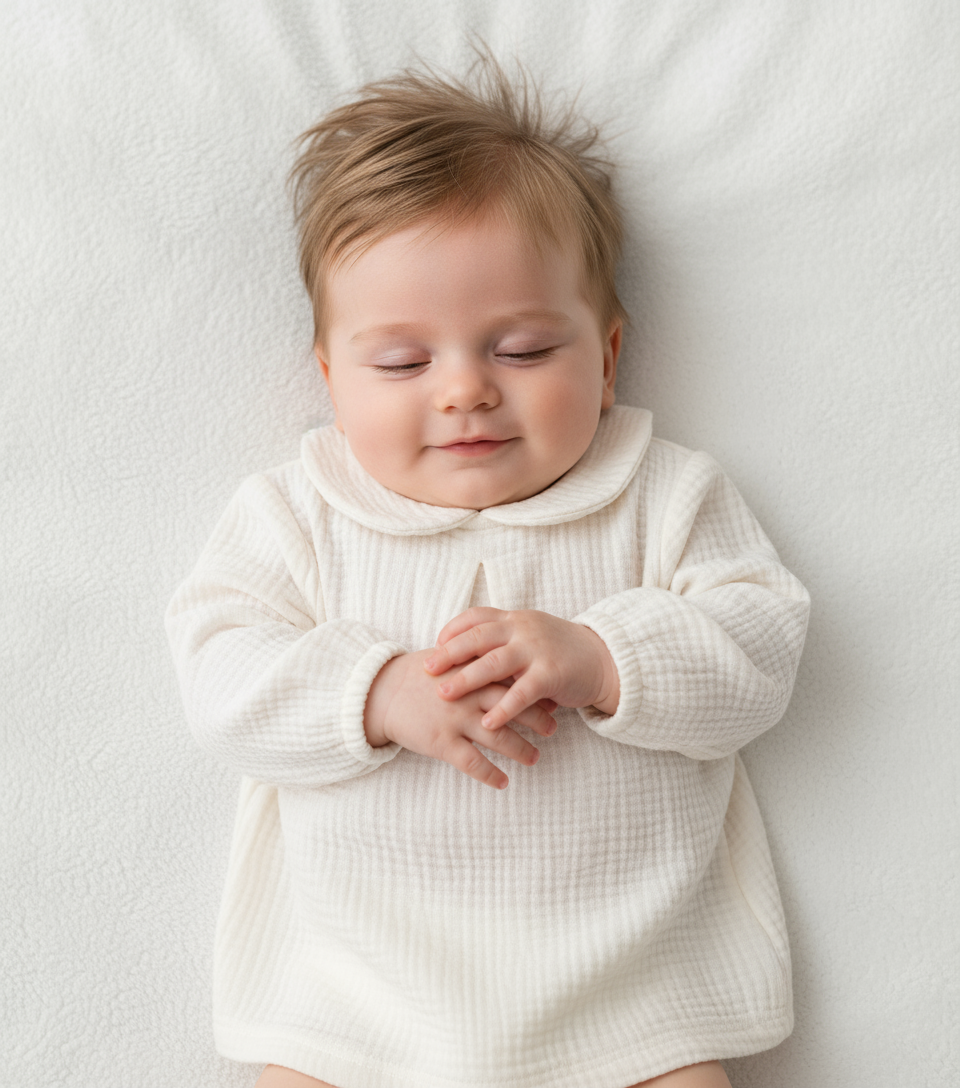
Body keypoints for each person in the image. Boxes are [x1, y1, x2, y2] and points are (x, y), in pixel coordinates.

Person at [165, 57, 810, 1088]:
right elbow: (219, 672)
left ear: (606, 358)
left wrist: (604, 656)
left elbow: (761, 645)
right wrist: (374, 692)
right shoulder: (299, 512)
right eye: (403, 363)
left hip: (628, 999)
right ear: (330, 378)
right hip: (355, 1001)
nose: (465, 390)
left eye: (518, 347)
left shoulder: (661, 493)